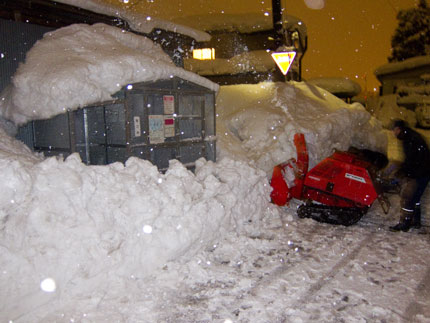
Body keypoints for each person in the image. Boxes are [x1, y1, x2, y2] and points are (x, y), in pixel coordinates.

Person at [390, 119, 430, 232]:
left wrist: (404, 172)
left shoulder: (410, 139)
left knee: (408, 197)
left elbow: (412, 159)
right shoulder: (410, 136)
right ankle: (415, 221)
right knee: (416, 197)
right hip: (424, 171)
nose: (394, 133)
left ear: (399, 129)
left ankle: (405, 223)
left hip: (420, 172)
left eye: (394, 130)